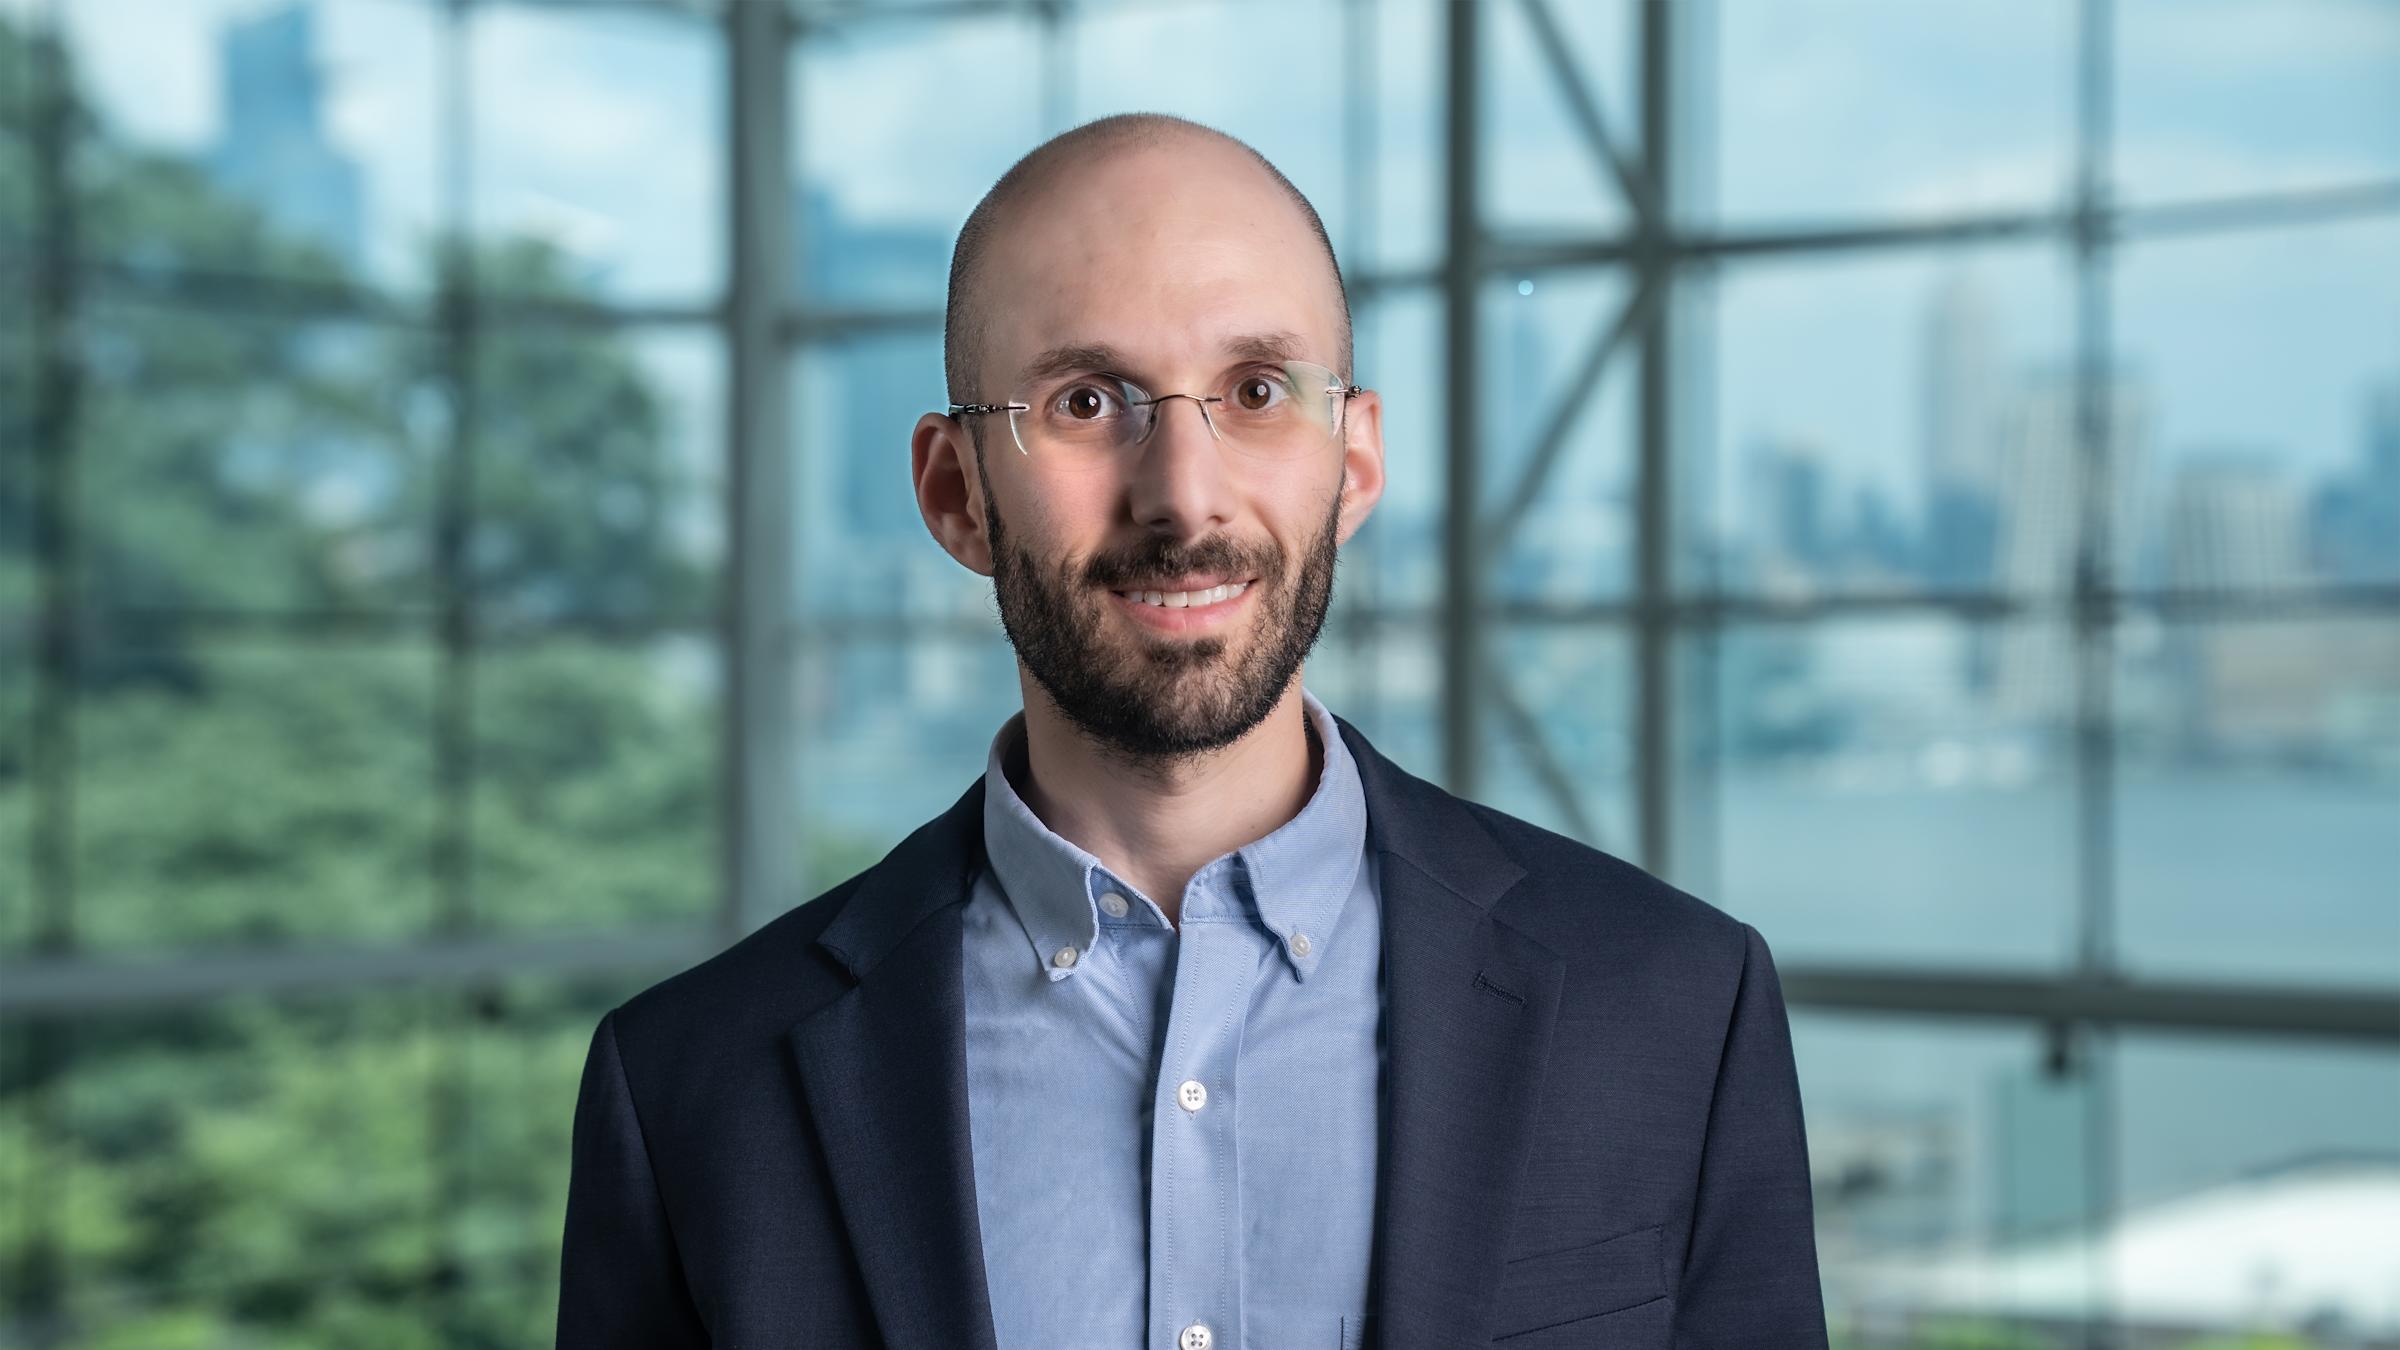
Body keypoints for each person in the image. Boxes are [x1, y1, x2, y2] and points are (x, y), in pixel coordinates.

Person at [556, 112, 1827, 1350]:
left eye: (1258, 389)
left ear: (1356, 464)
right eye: (1088, 401)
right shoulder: (690, 1087)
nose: (1184, 495)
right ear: (957, 496)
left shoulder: (1674, 1009)